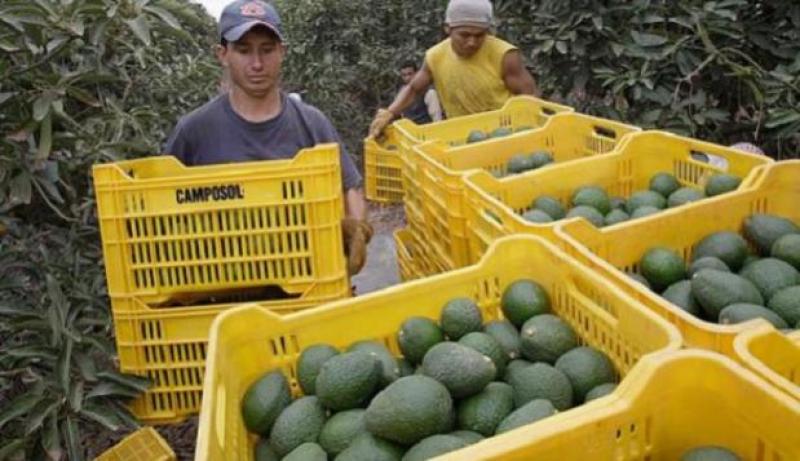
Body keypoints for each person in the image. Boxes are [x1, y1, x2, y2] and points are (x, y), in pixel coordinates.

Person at [165, 0, 371, 275]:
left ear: (282, 52)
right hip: (225, 287)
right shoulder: (194, 130)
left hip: (305, 279)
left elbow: (350, 187)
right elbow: (165, 204)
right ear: (222, 54)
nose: (257, 64)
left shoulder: (311, 123)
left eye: (267, 50)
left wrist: (356, 227)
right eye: (244, 50)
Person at [369, 0, 538, 138]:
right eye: (464, 35)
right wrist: (389, 113)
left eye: (480, 35)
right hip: (462, 136)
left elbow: (530, 97)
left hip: (505, 133)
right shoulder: (436, 56)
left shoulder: (504, 55)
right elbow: (414, 89)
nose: (472, 42)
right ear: (448, 29)